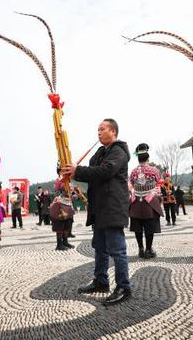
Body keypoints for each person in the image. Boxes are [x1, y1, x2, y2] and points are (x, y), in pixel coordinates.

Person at [62, 118, 132, 306]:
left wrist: (78, 171)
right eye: (98, 130)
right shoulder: (100, 152)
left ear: (113, 132)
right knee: (100, 248)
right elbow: (89, 170)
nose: (98, 133)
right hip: (100, 208)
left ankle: (124, 286)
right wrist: (68, 169)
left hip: (113, 207)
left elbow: (104, 171)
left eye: (102, 129)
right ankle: (101, 281)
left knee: (117, 250)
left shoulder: (119, 151)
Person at [128, 143, 163, 259]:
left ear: (138, 159)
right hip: (150, 201)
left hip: (136, 200)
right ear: (148, 158)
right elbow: (159, 182)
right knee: (150, 226)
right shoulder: (154, 170)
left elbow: (130, 185)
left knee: (137, 227)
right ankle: (149, 249)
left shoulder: (133, 172)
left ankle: (140, 249)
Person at [50, 171, 76, 251]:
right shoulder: (59, 181)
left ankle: (65, 242)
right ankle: (59, 244)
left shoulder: (69, 181)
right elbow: (59, 189)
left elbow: (73, 194)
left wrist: (73, 193)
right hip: (60, 203)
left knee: (66, 226)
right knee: (59, 226)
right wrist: (65, 183)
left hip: (68, 203)